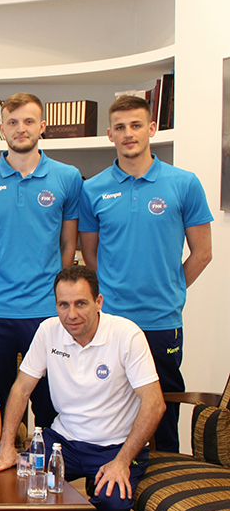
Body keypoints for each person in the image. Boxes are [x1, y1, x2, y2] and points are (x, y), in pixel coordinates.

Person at [0, 265, 166, 511]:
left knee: (113, 501)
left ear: (99, 301)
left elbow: (155, 403)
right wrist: (6, 447)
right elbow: (21, 389)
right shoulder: (48, 331)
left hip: (115, 445)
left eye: (81, 303)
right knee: (23, 482)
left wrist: (122, 461)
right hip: (64, 439)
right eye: (63, 304)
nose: (71, 314)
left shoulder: (126, 335)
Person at [79, 95, 213, 455]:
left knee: (163, 406)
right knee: (111, 406)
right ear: (110, 134)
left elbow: (203, 253)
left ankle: (167, 470)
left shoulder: (184, 183)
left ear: (151, 128)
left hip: (161, 319)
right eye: (120, 127)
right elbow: (90, 257)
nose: (128, 133)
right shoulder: (92, 189)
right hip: (112, 320)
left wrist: (171, 288)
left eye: (136, 125)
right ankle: (112, 473)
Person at [0, 92, 83, 429]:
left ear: (42, 126)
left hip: (46, 310)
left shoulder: (68, 177)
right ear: (2, 127)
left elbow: (68, 243)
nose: (21, 128)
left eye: (29, 121)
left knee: (51, 403)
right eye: (13, 122)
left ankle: (50, 463)